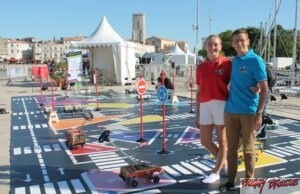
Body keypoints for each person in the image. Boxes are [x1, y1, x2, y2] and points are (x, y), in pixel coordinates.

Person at [222, 29, 268, 190]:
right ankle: (230, 180)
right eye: (235, 41)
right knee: (231, 149)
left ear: (248, 41)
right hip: (231, 111)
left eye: (241, 40)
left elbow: (265, 89)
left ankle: (250, 181)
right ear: (233, 44)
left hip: (249, 112)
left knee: (248, 149)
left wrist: (259, 113)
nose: (239, 43)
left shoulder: (255, 60)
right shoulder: (234, 61)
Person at [195, 35, 231, 184]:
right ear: (206, 47)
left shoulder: (228, 64)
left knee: (222, 141)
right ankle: (225, 162)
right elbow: (198, 91)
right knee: (205, 141)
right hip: (204, 105)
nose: (212, 47)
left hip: (221, 104)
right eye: (210, 44)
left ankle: (216, 172)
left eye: (215, 44)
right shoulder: (201, 67)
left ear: (220, 47)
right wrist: (197, 114)